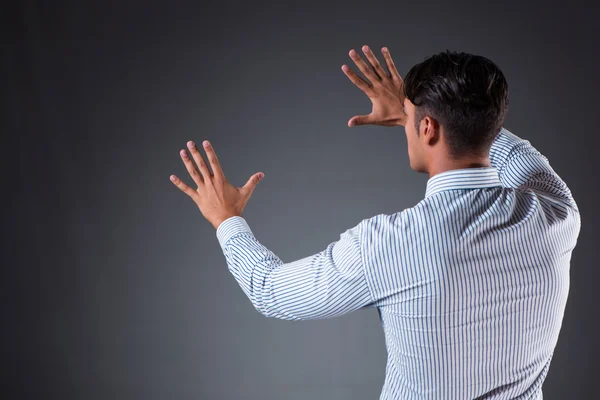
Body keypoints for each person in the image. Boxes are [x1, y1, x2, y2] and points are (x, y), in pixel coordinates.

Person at [170, 46, 581, 399]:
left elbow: (270, 291)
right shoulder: (557, 213)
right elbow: (512, 150)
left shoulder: (389, 243)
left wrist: (226, 220)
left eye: (409, 117)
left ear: (427, 128)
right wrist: (430, 115)